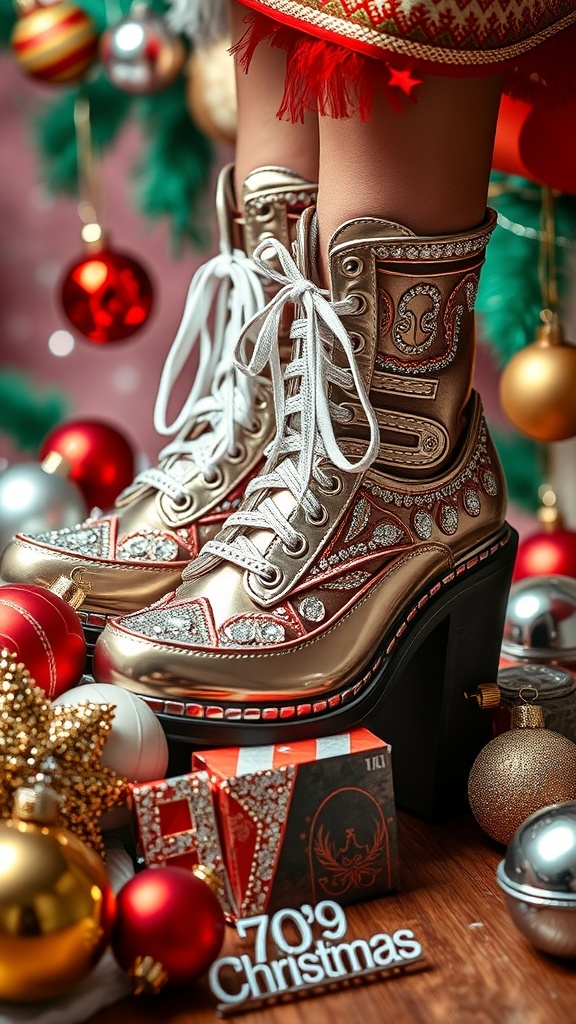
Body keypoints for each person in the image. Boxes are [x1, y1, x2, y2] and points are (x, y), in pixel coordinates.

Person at [5, 0, 576, 810]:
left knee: (390, 17)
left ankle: (405, 479)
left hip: (404, 472)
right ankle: (289, 447)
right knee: (296, 17)